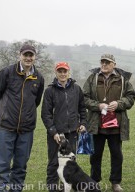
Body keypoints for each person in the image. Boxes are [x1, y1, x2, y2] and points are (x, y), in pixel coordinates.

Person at [0, 44, 44, 192]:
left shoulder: (39, 77)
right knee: (1, 165)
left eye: (31, 55)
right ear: (19, 55)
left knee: (20, 166)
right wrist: (4, 113)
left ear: (35, 57)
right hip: (6, 127)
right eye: (25, 55)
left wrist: (26, 116)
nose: (28, 58)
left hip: (26, 129)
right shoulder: (7, 72)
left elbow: (36, 101)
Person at [82, 54, 135, 192]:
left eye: (108, 62)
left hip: (116, 124)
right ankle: (94, 181)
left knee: (117, 155)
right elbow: (84, 98)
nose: (104, 65)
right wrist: (98, 106)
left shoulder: (123, 80)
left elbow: (131, 97)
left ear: (114, 64)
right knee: (95, 155)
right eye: (102, 62)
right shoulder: (92, 78)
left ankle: (115, 182)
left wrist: (119, 104)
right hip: (96, 124)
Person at [41, 62, 87, 192]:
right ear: (56, 73)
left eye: (64, 71)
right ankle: (53, 188)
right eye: (60, 71)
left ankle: (67, 187)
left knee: (70, 163)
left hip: (72, 132)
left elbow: (82, 109)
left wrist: (83, 123)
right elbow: (46, 114)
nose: (62, 74)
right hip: (56, 134)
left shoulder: (76, 89)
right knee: (54, 162)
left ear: (68, 72)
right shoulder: (50, 91)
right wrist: (53, 132)